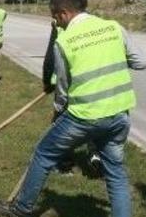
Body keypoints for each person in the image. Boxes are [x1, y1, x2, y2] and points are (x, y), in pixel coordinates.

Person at [0, 0, 146, 217]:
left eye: (56, 18)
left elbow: (63, 89)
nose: (57, 24)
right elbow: (140, 62)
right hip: (119, 115)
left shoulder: (66, 40)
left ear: (64, 13)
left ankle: (21, 210)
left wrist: (60, 110)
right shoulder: (113, 27)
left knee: (43, 154)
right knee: (116, 171)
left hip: (84, 115)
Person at [42, 9, 102, 177]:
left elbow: (50, 58)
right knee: (92, 119)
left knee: (61, 125)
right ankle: (96, 154)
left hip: (67, 83)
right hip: (90, 82)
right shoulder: (95, 22)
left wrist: (47, 81)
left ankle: (64, 163)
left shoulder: (60, 26)